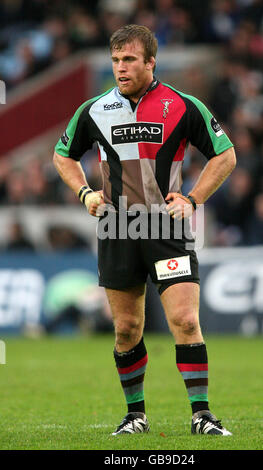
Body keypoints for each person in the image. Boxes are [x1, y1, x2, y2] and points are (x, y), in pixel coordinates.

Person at [53, 24, 236, 436]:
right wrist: (84, 193)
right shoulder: (92, 109)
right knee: (126, 329)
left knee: (187, 322)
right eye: (116, 60)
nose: (121, 67)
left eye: (130, 59)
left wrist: (192, 199)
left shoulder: (183, 105)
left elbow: (225, 155)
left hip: (164, 227)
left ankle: (202, 415)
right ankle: (135, 415)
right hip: (117, 228)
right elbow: (62, 156)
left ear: (151, 62)